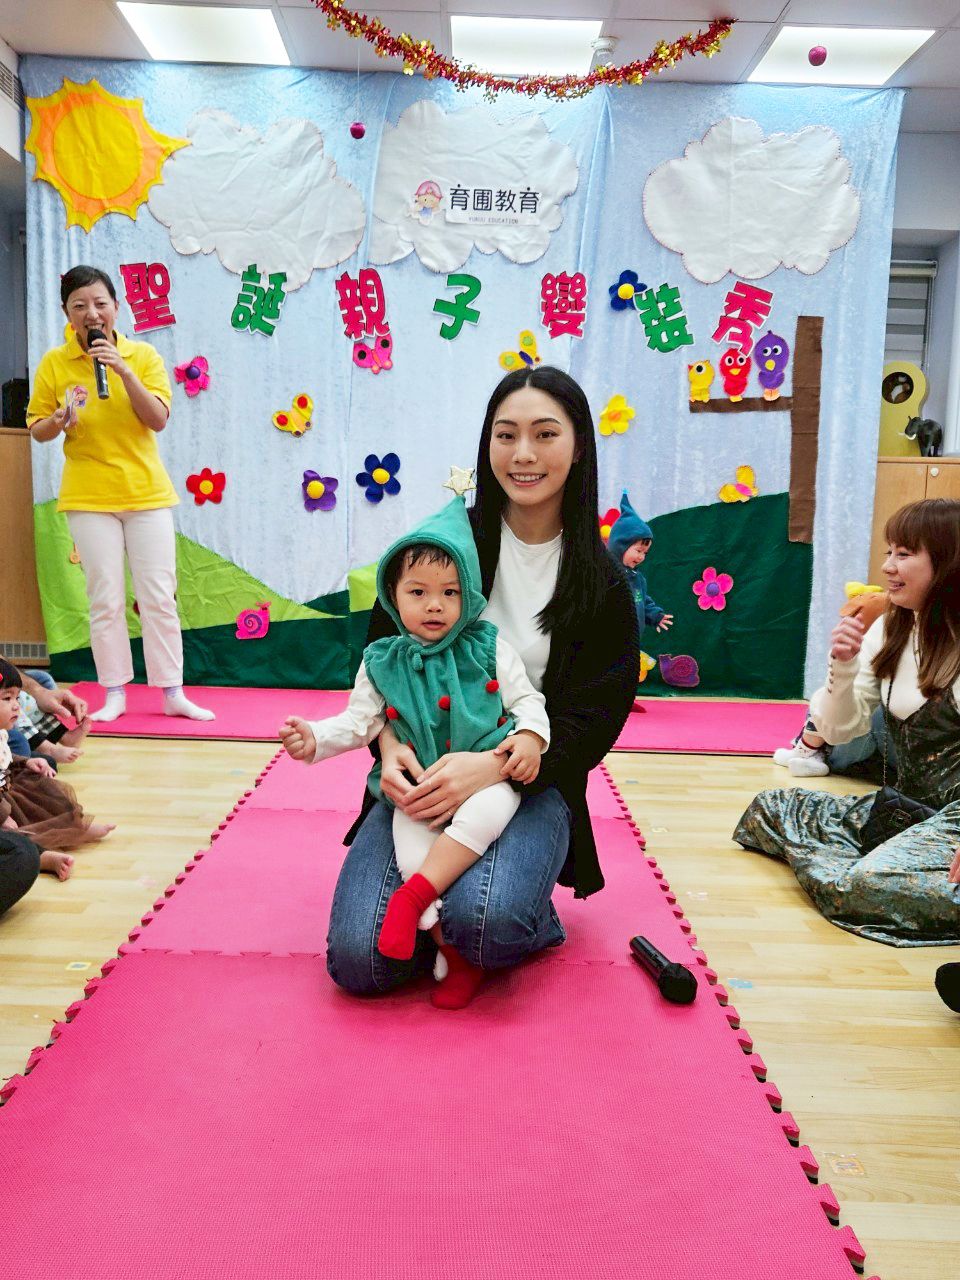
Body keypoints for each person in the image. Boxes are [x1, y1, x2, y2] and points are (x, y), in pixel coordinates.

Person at [325, 366, 640, 1007]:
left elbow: (597, 716)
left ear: (579, 446)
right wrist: (388, 747)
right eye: (506, 434)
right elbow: (383, 652)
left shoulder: (600, 578)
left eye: (544, 434)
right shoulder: (446, 542)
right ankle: (449, 921)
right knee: (359, 962)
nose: (523, 454)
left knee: (486, 923)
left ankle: (518, 918)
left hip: (530, 781)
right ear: (487, 444)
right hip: (424, 778)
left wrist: (496, 766)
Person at [281, 497, 550, 995]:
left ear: (469, 595)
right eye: (418, 592)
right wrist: (315, 737)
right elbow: (360, 722)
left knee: (488, 812)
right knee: (411, 855)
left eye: (450, 592)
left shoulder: (488, 646)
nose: (434, 605)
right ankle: (449, 947)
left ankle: (420, 905)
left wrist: (530, 738)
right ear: (393, 595)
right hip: (417, 790)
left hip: (487, 778)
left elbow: (527, 699)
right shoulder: (381, 661)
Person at [734, 498, 960, 946]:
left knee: (861, 888)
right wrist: (842, 665)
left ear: (948, 562)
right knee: (769, 808)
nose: (888, 566)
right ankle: (874, 871)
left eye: (904, 554)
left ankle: (863, 876)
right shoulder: (891, 628)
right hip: (907, 810)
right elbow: (838, 732)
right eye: (889, 552)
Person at [26, 265, 213, 724]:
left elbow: (158, 419)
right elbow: (37, 428)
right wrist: (58, 419)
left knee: (159, 596)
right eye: (79, 306)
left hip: (146, 494)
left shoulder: (142, 355)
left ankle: (173, 692)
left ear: (115, 307)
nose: (91, 313)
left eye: (99, 303)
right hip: (89, 497)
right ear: (67, 314)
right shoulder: (55, 363)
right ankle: (114, 692)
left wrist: (122, 369)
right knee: (104, 598)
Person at [0, 658, 114, 879]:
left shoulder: (2, 732)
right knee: (13, 832)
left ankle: (75, 825)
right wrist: (3, 816)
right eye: (7, 699)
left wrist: (25, 762)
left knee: (42, 785)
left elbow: (4, 756)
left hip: (6, 786)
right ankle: (41, 856)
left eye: (16, 698)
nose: (16, 705)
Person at [606, 490, 672, 711]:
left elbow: (643, 600)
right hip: (609, 636)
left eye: (645, 553)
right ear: (620, 545)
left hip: (631, 637)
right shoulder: (606, 573)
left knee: (629, 668)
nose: (641, 557)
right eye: (637, 550)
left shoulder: (637, 578)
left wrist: (655, 615)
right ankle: (605, 701)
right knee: (607, 668)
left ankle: (624, 700)